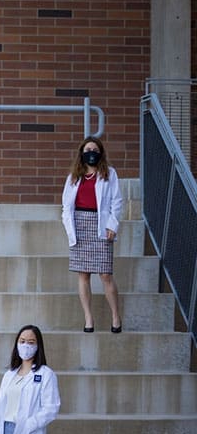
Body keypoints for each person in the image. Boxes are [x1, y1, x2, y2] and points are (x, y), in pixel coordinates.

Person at [60, 136, 123, 333]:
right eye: (88, 149)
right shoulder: (74, 176)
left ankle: (115, 316)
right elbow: (65, 205)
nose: (91, 153)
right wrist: (69, 227)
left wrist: (113, 224)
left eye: (95, 150)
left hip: (101, 224)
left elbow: (117, 201)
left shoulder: (109, 174)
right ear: (82, 153)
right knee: (83, 274)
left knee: (105, 274)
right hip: (79, 224)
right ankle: (88, 318)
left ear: (101, 153)